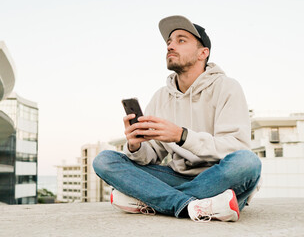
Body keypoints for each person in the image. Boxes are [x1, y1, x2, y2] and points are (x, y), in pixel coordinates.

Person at [93, 15, 262, 222]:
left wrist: (182, 136)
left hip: (217, 177)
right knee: (105, 160)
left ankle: (154, 199)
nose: (171, 46)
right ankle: (195, 206)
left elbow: (236, 148)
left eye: (181, 40)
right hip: (175, 176)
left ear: (203, 53)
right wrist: (135, 146)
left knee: (247, 163)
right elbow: (151, 156)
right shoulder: (161, 96)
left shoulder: (227, 87)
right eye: (169, 42)